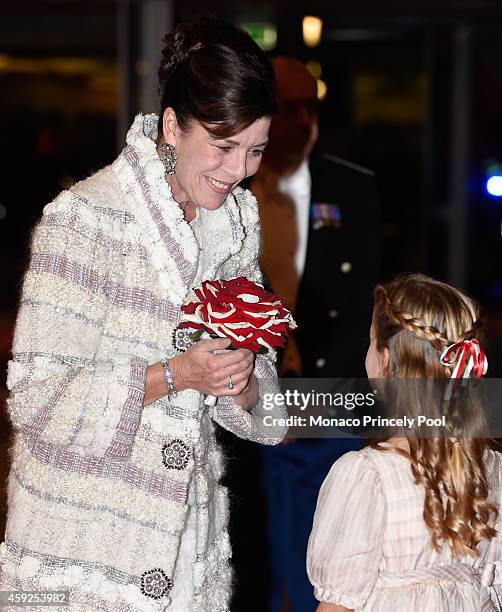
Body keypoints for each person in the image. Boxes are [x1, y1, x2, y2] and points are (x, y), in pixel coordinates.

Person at [0, 16, 288, 612]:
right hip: (83, 554)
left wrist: (241, 383)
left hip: (187, 552)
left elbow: (262, 400)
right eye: (224, 145)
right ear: (172, 126)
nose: (239, 171)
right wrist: (177, 375)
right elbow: (36, 398)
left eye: (255, 150)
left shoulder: (234, 227)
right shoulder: (86, 219)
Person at [246, 57, 381, 611]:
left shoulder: (353, 188)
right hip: (249, 400)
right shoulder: (229, 187)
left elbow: (364, 303)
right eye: (287, 108)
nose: (302, 120)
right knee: (257, 551)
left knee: (328, 556)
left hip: (329, 404)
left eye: (311, 107)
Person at [307, 273, 502, 611]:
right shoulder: (491, 469)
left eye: (370, 341)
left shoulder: (368, 475)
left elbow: (336, 605)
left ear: (383, 361)